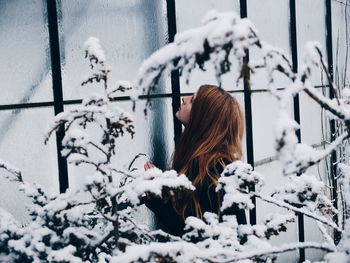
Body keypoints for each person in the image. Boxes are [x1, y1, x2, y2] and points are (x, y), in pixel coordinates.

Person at [143, 84, 247, 236]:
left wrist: (155, 195)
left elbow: (192, 231)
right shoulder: (204, 160)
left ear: (203, 118)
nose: (184, 99)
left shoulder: (214, 171)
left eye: (192, 100)